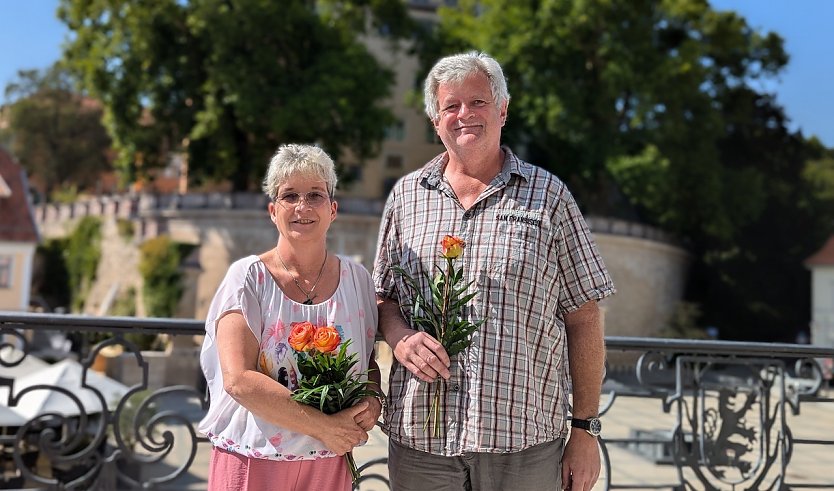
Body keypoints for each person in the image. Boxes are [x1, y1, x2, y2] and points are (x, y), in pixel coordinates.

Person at [373, 52, 616, 491]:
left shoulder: (550, 197)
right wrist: (400, 337)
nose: (464, 114)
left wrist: (585, 429)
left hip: (522, 444)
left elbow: (584, 316)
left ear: (503, 109)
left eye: (478, 102)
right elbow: (383, 297)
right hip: (421, 443)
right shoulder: (407, 197)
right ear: (436, 121)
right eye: (451, 106)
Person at [199, 144, 383, 491]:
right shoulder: (247, 278)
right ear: (273, 210)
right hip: (256, 458)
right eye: (290, 195)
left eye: (315, 194)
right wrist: (324, 427)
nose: (302, 206)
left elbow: (367, 360)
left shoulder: (358, 279)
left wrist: (372, 401)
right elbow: (238, 379)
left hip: (329, 460)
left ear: (333, 209)